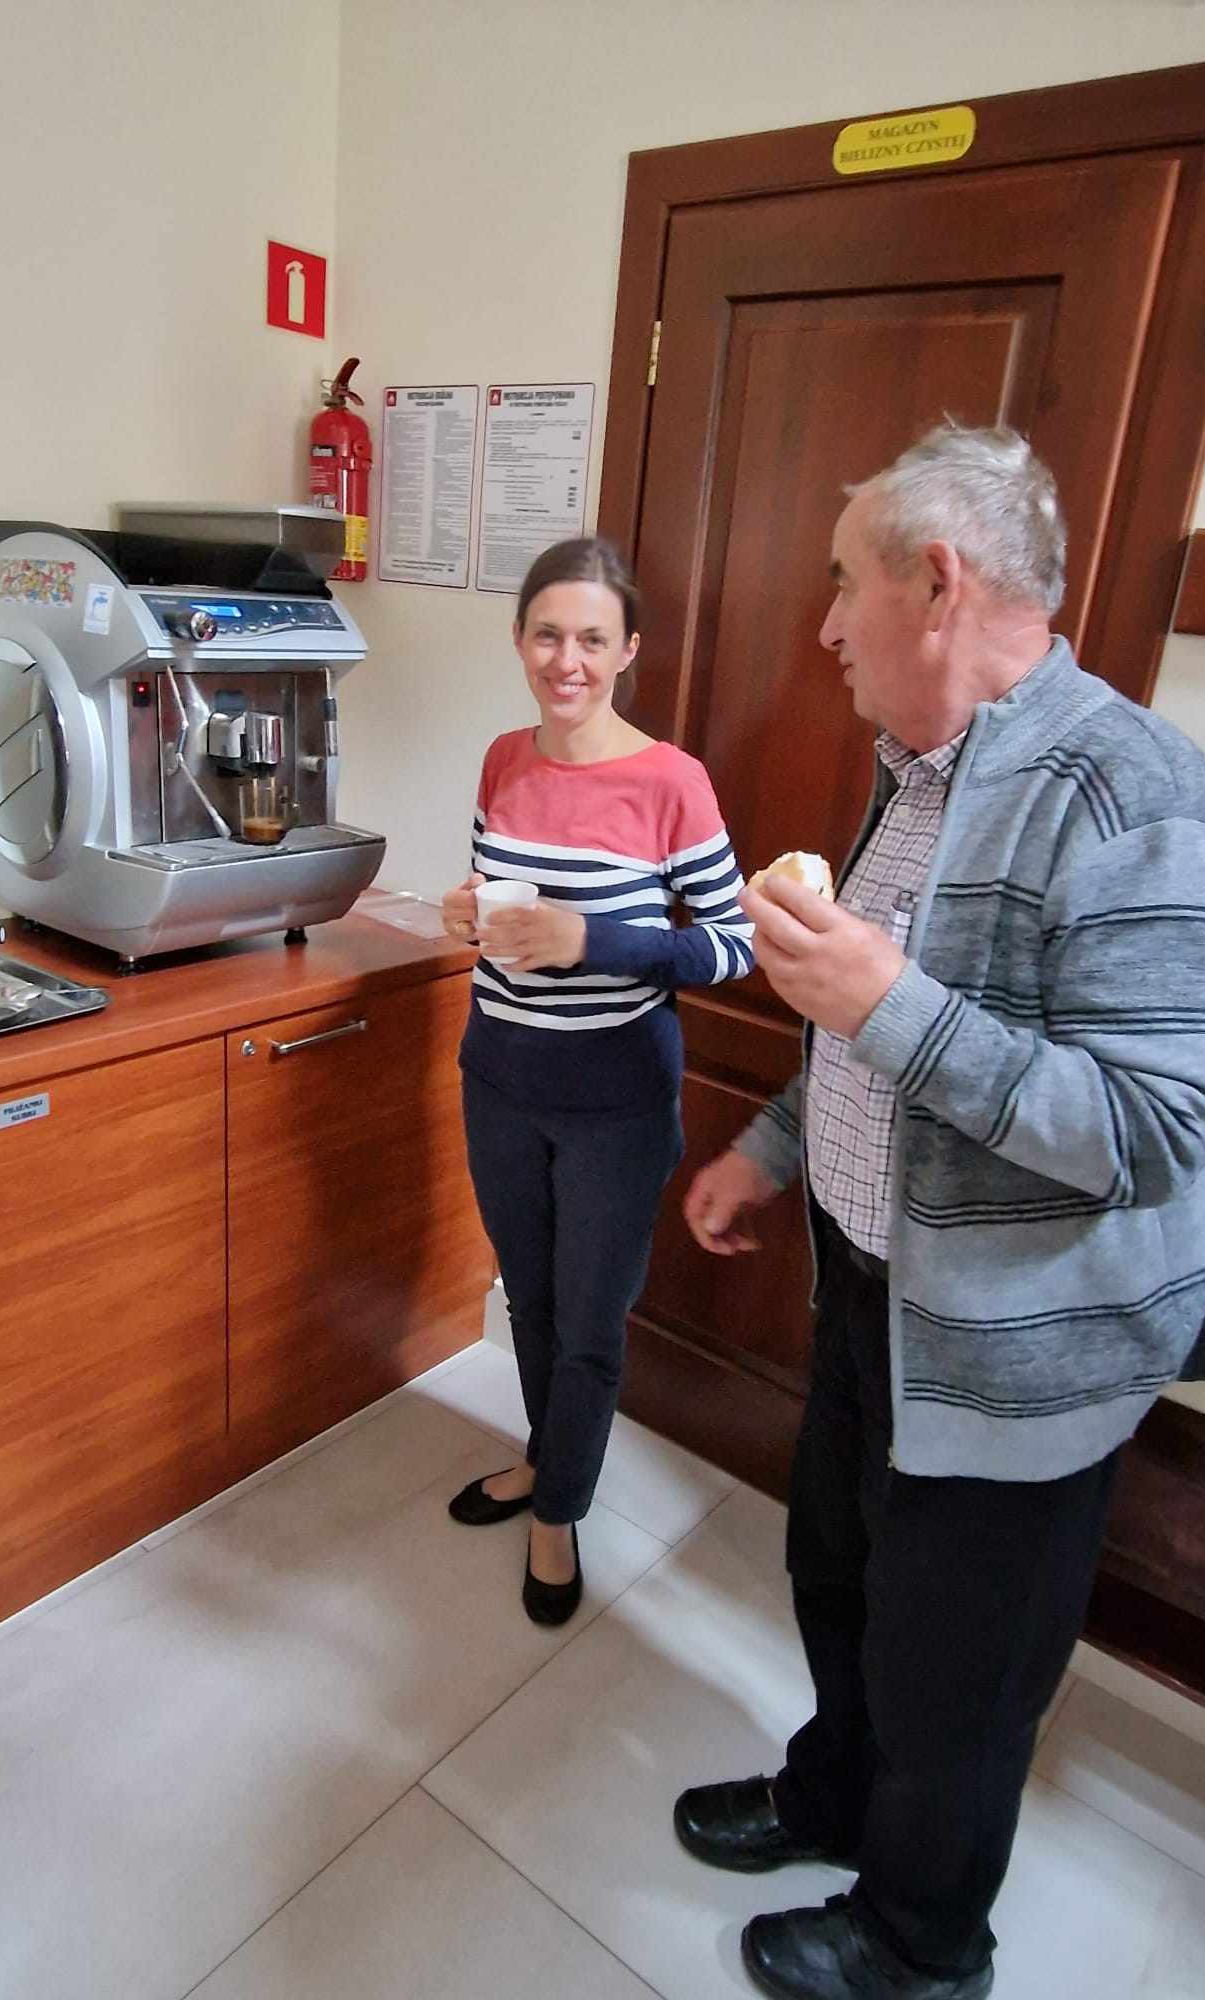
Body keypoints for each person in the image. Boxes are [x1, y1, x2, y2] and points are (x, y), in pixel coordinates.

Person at [671, 424, 1205, 2000]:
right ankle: (833, 1797)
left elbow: (1149, 1130)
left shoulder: (1141, 794)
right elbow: (870, 1037)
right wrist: (774, 1146)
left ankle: (923, 1945)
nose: (825, 627)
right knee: (839, 1579)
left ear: (938, 583)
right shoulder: (914, 778)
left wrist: (892, 1002)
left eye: (842, 585)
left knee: (960, 1677)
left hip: (1017, 1352)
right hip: (873, 1293)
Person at [441, 536, 754, 1626]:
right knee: (528, 1297)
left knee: (588, 1320)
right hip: (498, 1074)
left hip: (615, 1100)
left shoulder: (672, 780)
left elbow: (731, 946)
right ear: (519, 639)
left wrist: (593, 940)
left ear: (628, 650)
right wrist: (466, 911)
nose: (565, 660)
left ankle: (558, 1509)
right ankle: (547, 1455)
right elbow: (493, 891)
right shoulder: (502, 759)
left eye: (590, 638)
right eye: (546, 635)